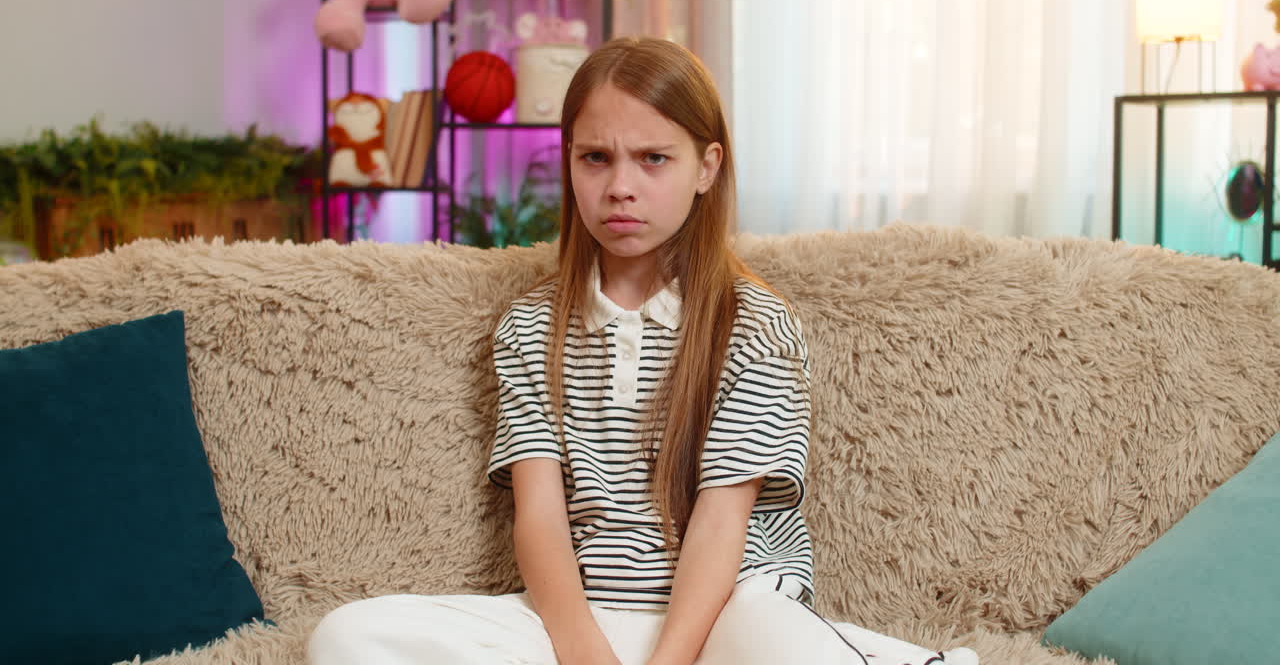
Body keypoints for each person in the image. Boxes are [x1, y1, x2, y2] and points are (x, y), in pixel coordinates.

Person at [307, 36, 979, 665]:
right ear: (569, 159)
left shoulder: (755, 325)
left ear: (706, 168)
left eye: (653, 159)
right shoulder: (529, 327)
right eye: (595, 157)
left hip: (724, 621)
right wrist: (585, 652)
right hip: (584, 623)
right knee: (346, 637)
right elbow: (538, 515)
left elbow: (722, 527)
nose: (620, 186)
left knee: (779, 641)